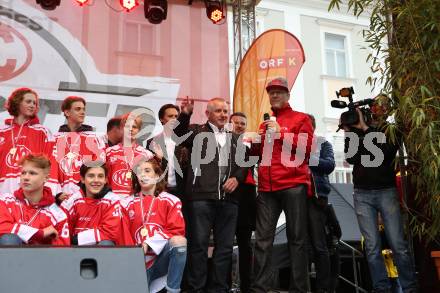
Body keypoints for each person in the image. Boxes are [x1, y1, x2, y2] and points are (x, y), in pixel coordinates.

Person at [343, 94, 418, 293]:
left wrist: (366, 130)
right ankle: (381, 289)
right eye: (375, 105)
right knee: (372, 247)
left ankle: (410, 288)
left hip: (386, 191)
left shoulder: (391, 130)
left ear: (389, 110)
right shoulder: (358, 131)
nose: (377, 109)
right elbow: (351, 158)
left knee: (398, 244)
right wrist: (350, 132)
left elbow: (384, 153)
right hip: (362, 193)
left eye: (382, 105)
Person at [173, 97, 247, 292]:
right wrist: (185, 114)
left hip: (229, 201)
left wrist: (237, 178)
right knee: (198, 246)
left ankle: (219, 289)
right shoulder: (197, 132)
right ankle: (196, 288)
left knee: (224, 249)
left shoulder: (235, 138)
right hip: (200, 198)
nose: (223, 114)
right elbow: (177, 134)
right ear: (208, 114)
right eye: (218, 111)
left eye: (225, 111)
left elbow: (244, 164)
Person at [250, 77, 314, 293]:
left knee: (297, 239)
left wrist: (281, 133)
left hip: (293, 184)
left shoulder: (300, 118)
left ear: (287, 95)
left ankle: (300, 289)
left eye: (278, 91)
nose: (274, 95)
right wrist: (253, 144)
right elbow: (258, 157)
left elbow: (306, 151)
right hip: (267, 188)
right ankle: (261, 288)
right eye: (271, 92)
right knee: (262, 240)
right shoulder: (264, 124)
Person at [123, 158, 186, 293]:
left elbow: (177, 230)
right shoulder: (126, 203)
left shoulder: (171, 200)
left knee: (179, 241)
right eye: (139, 172)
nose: (143, 175)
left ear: (157, 176)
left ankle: (173, 290)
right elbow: (122, 233)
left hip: (159, 262)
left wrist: (149, 243)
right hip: (135, 262)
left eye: (147, 171)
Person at [0, 154, 70, 246]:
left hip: (41, 259)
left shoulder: (58, 214)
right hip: (9, 259)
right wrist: (39, 233)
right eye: (23, 173)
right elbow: (2, 227)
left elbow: (62, 252)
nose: (26, 177)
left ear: (46, 178)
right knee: (9, 239)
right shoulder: (6, 201)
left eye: (32, 173)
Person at [60, 163, 133, 246]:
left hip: (104, 252)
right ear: (83, 179)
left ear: (105, 180)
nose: (96, 180)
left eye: (100, 176)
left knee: (106, 243)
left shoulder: (113, 200)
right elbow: (62, 229)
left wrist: (76, 239)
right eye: (91, 176)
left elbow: (110, 232)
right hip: (76, 252)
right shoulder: (72, 200)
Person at [0, 88, 55, 194]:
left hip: (30, 190)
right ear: (17, 102)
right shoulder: (2, 131)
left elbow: (49, 162)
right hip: (3, 189)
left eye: (35, 103)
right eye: (28, 101)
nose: (32, 105)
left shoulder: (42, 131)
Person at [307, 114, 336, 293]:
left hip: (317, 197)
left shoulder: (323, 143)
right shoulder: (293, 145)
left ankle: (324, 289)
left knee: (319, 244)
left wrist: (307, 157)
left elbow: (329, 165)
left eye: (307, 125)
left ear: (313, 127)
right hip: (295, 195)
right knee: (299, 244)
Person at [230, 112, 257, 293]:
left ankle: (247, 287)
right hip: (228, 196)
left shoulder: (248, 149)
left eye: (243, 123)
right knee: (224, 244)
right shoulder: (220, 145)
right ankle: (223, 285)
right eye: (236, 123)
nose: (240, 126)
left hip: (247, 197)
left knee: (246, 245)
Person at [106, 113, 154, 196]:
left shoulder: (147, 155)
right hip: (113, 199)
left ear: (139, 131)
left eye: (134, 127)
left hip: (136, 200)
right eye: (127, 127)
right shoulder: (109, 152)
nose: (131, 129)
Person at [146, 104, 188, 199]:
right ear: (161, 119)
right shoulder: (152, 142)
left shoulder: (186, 142)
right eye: (170, 116)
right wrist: (157, 159)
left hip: (182, 191)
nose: (174, 119)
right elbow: (149, 168)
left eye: (176, 116)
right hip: (160, 189)